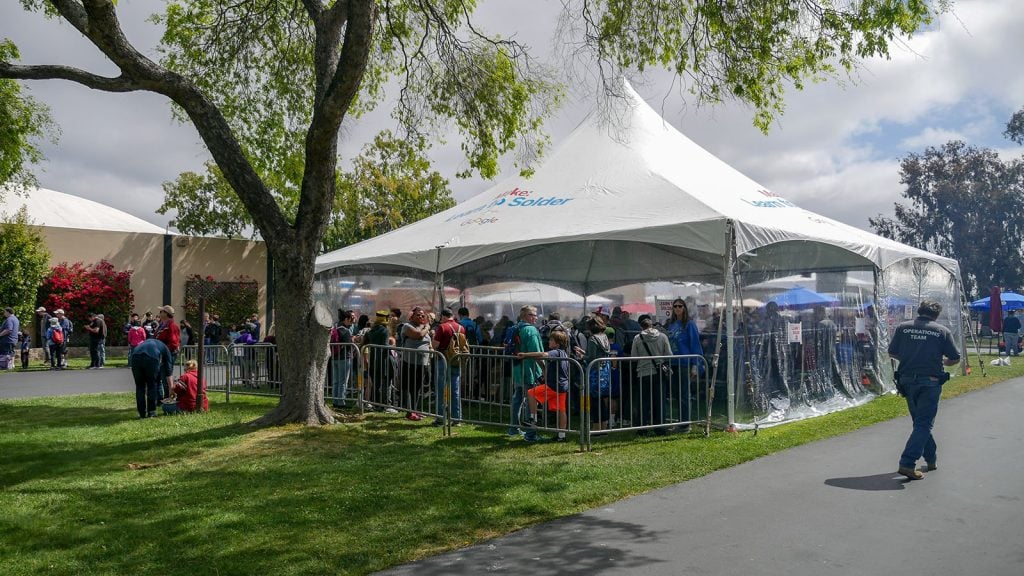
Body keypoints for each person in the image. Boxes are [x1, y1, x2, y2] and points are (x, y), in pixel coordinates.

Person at [888, 300, 961, 480]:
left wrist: (909, 357)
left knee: (920, 423)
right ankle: (907, 462)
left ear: (919, 311)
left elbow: (892, 352)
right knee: (924, 423)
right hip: (930, 381)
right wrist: (943, 362)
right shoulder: (941, 331)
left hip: (906, 380)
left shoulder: (903, 328)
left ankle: (931, 458)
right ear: (936, 315)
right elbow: (955, 357)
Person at [518, 330, 572, 442]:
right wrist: (541, 364)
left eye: (551, 340)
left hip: (554, 385)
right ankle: (561, 436)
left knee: (531, 393)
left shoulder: (556, 352)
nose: (549, 341)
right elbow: (546, 366)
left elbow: (543, 354)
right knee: (561, 410)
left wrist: (525, 355)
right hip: (563, 386)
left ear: (557, 343)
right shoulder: (564, 353)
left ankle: (533, 418)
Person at [665, 298, 704, 430]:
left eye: (680, 306)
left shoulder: (689, 324)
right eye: (675, 306)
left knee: (684, 394)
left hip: (685, 363)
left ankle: (685, 424)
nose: (677, 308)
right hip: (673, 363)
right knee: (676, 394)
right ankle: (681, 421)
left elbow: (695, 344)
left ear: (684, 308)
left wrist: (695, 365)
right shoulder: (671, 324)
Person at [631, 316, 673, 435]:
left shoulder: (637, 338)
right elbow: (669, 354)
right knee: (659, 402)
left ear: (641, 327)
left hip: (643, 373)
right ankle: (660, 428)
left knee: (643, 402)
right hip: (659, 373)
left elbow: (634, 356)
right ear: (652, 325)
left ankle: (642, 429)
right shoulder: (663, 336)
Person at [508, 305, 543, 436]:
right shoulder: (531, 330)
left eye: (536, 315)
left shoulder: (515, 328)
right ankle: (531, 433)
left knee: (517, 399)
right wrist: (544, 368)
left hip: (518, 369)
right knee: (531, 401)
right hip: (530, 370)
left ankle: (513, 428)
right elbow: (537, 353)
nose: (535, 317)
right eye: (532, 315)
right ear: (524, 316)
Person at [431, 308, 467, 426]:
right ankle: (457, 419)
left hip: (443, 360)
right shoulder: (461, 327)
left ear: (443, 316)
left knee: (441, 390)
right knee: (455, 391)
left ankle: (441, 418)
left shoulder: (442, 327)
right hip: (456, 360)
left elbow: (435, 345)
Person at [399, 307, 432, 420]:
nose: (421, 317)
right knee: (409, 387)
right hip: (410, 362)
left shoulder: (423, 328)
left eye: (423, 315)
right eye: (418, 315)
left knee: (417, 388)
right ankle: (409, 412)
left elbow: (428, 342)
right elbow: (418, 335)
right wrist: (427, 327)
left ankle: (415, 410)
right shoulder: (407, 326)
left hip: (423, 363)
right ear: (411, 317)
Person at [130, 338, 174, 419]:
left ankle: (142, 413)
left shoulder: (149, 342)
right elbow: (169, 370)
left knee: (140, 386)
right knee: (152, 385)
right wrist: (171, 389)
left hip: (135, 356)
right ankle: (151, 412)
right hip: (151, 357)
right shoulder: (166, 349)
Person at [329, 309, 356, 408]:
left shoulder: (336, 329)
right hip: (344, 358)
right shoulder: (345, 331)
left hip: (335, 358)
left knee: (336, 381)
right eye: (351, 318)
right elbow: (350, 346)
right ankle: (341, 402)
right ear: (346, 319)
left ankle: (335, 401)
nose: (352, 320)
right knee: (343, 381)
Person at [155, 305, 181, 398]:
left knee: (165, 376)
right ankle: (159, 399)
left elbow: (173, 343)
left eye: (161, 311)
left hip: (167, 354)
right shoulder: (162, 325)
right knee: (158, 376)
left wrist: (163, 352)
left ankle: (167, 397)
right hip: (160, 354)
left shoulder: (172, 326)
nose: (160, 313)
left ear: (166, 314)